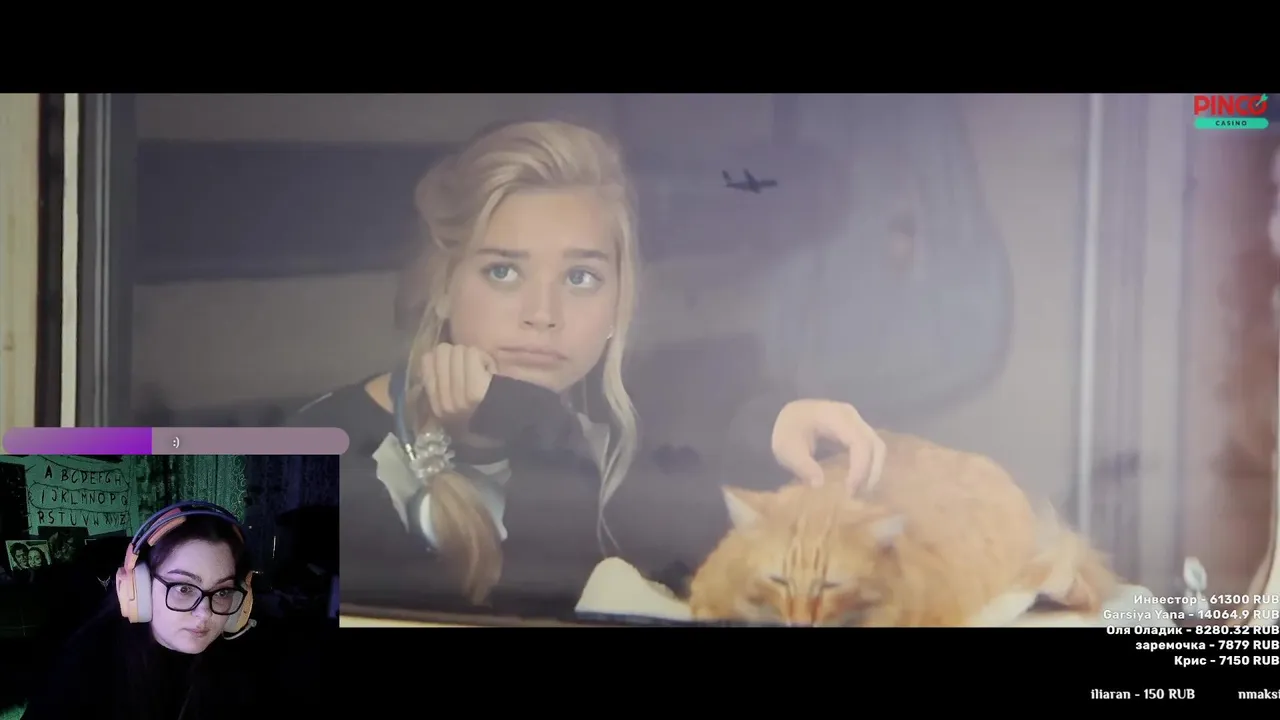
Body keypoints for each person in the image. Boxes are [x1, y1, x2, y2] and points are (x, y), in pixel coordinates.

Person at [293, 119, 885, 618]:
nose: (543, 314)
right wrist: (480, 448)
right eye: (503, 271)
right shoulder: (312, 450)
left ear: (617, 303)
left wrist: (774, 428)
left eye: (580, 277)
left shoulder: (616, 438)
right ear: (444, 288)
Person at [22, 502, 263, 719]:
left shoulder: (246, 667)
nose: (205, 613)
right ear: (138, 588)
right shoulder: (80, 671)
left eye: (222, 592)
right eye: (183, 588)